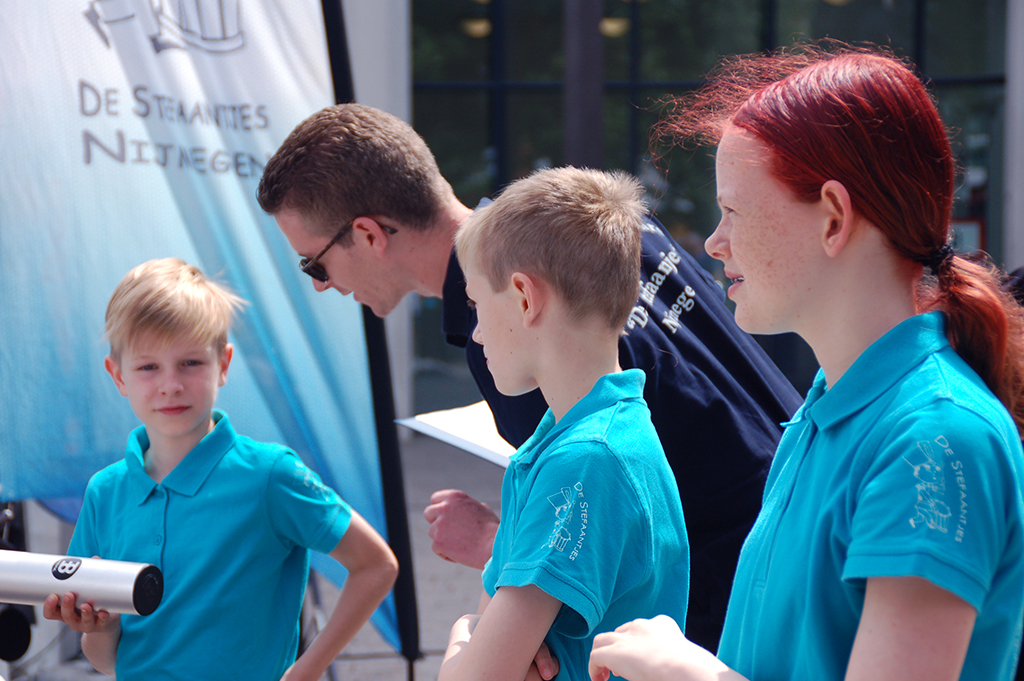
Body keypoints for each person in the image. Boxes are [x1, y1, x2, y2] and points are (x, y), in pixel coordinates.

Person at [257, 104, 803, 651]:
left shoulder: (510, 336)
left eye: (314, 265)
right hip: (799, 523)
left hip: (735, 608)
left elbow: (595, 505)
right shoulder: (581, 220)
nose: (321, 287)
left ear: (369, 234)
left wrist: (501, 553)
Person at [588, 43, 1024, 681]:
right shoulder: (829, 406)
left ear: (832, 219)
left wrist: (688, 673)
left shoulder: (935, 438)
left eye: (734, 210)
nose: (715, 241)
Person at [43, 258, 399, 681]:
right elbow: (107, 661)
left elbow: (376, 565)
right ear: (117, 376)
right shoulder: (105, 492)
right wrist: (100, 628)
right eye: (148, 367)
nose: (171, 384)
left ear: (224, 364)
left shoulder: (271, 475)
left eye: (190, 363)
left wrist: (305, 670)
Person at [437, 166, 689, 681]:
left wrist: (462, 632)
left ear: (526, 298)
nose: (478, 333)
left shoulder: (585, 458)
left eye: (477, 305)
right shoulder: (582, 437)